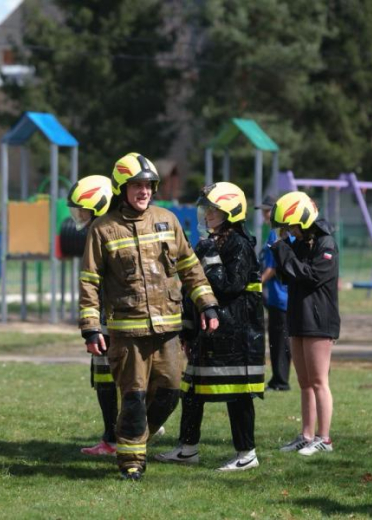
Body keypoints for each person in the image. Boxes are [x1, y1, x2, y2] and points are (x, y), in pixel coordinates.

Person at [79, 152, 219, 481]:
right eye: (137, 185)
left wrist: (207, 304)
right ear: (122, 188)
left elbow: (189, 267)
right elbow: (90, 282)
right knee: (133, 398)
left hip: (168, 327)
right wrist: (90, 328)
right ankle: (131, 462)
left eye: (148, 185)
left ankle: (134, 440)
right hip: (127, 332)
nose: (144, 191)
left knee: (170, 392)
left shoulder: (168, 220)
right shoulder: (102, 229)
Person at [156, 182, 265, 472]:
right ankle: (187, 448)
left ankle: (246, 453)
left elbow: (230, 285)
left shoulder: (239, 244)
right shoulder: (215, 242)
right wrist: (189, 329)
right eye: (207, 210)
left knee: (237, 394)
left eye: (213, 211)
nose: (207, 216)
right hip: (210, 334)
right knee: (191, 391)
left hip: (236, 335)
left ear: (230, 213)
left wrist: (210, 258)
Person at [269, 191, 340, 456]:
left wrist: (284, 251)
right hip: (298, 315)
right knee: (304, 382)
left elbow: (309, 275)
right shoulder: (301, 243)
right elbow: (287, 276)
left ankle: (324, 438)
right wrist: (282, 250)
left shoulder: (326, 243)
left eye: (291, 226)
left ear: (304, 220)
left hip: (319, 320)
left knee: (319, 381)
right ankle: (306, 435)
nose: (289, 232)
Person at [66, 175, 118, 456]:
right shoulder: (98, 233)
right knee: (104, 379)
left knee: (114, 380)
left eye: (83, 210)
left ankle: (119, 436)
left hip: (115, 319)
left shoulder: (107, 234)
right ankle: (112, 437)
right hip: (103, 317)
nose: (80, 216)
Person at [258, 195, 292, 390]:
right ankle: (277, 378)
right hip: (277, 296)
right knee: (278, 338)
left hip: (280, 297)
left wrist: (256, 284)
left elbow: (271, 267)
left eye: (267, 211)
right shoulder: (275, 232)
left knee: (280, 340)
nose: (264, 215)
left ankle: (281, 380)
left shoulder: (276, 233)